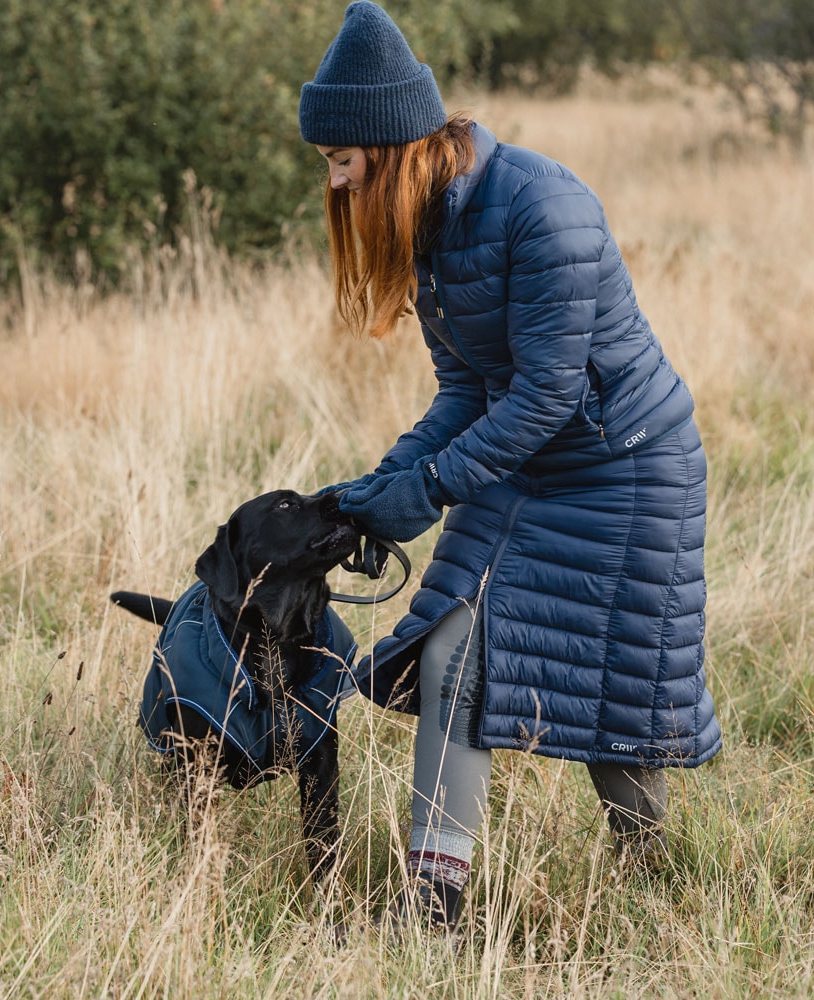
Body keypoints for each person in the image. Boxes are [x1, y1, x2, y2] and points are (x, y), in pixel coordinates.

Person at [299, 1, 721, 932]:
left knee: (617, 696)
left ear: (389, 144)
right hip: (530, 464)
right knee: (453, 653)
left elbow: (544, 397)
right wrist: (384, 486)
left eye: (341, 163)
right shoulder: (435, 226)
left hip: (628, 470)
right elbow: (466, 390)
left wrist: (434, 487)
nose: (332, 185)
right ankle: (433, 907)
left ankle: (658, 885)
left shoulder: (541, 207)